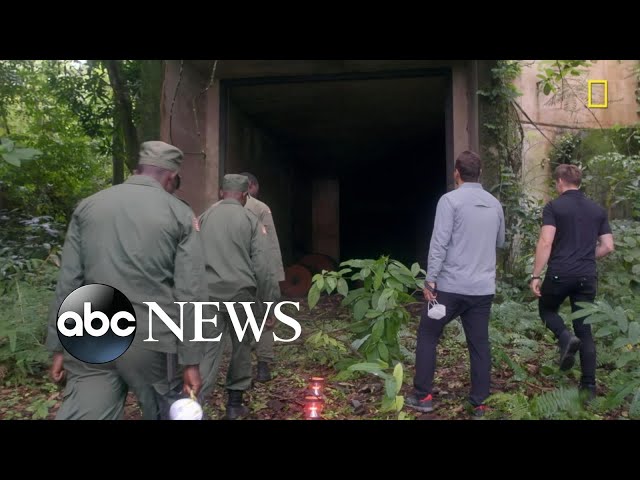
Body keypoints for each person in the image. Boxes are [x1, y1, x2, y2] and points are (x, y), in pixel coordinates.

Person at [46, 141, 205, 420]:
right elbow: (190, 291)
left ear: (138, 169)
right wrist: (191, 360)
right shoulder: (179, 213)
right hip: (150, 338)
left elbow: (68, 281)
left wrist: (59, 345)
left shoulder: (89, 206)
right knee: (166, 411)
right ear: (171, 177)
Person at [405, 150, 505, 418]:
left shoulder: (450, 201)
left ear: (457, 173)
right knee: (479, 344)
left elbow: (439, 242)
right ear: (480, 173)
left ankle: (423, 396)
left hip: (449, 287)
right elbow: (499, 241)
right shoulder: (495, 204)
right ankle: (479, 404)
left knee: (428, 334)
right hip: (482, 289)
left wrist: (430, 280)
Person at [197, 174, 280, 419]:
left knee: (207, 350)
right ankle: (234, 404)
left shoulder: (205, 217)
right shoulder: (250, 220)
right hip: (240, 297)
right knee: (241, 347)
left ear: (221, 192)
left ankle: (195, 406)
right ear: (245, 195)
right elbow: (264, 268)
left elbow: (189, 255)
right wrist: (268, 305)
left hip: (208, 296)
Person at [530, 164, 614, 400]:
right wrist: (585, 257)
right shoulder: (597, 209)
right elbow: (608, 246)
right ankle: (589, 388)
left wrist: (536, 275)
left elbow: (546, 242)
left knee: (547, 309)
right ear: (579, 182)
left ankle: (565, 338)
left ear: (559, 182)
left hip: (559, 273)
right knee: (584, 330)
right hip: (587, 276)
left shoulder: (554, 207)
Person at [240, 172, 285, 382]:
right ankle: (263, 366)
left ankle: (241, 369)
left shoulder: (216, 210)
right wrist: (276, 276)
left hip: (233, 275)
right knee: (265, 316)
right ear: (251, 185)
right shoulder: (260, 208)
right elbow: (271, 245)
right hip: (259, 272)